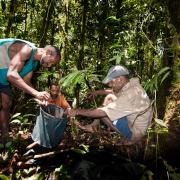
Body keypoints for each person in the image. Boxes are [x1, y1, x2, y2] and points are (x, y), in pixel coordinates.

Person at [68, 65, 153, 143]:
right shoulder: (131, 86)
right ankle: (94, 125)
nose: (109, 84)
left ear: (120, 79)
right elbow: (111, 92)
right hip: (136, 123)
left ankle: (127, 138)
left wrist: (77, 111)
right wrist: (96, 92)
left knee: (103, 112)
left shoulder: (130, 94)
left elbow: (102, 112)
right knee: (109, 97)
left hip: (135, 132)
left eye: (111, 82)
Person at [0, 38, 60, 141]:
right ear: (48, 52)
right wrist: (36, 93)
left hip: (2, 79)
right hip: (6, 76)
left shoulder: (34, 63)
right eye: (51, 62)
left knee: (6, 104)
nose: (49, 66)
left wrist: (39, 98)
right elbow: (11, 75)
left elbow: (26, 81)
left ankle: (5, 136)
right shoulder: (26, 49)